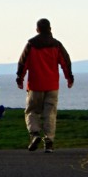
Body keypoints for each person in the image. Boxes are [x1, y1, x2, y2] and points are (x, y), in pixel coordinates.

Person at [15, 17, 74, 151]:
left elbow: (23, 63)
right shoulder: (56, 45)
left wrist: (20, 79)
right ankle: (49, 142)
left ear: (37, 29)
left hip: (35, 86)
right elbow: (66, 62)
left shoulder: (31, 44)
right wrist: (69, 79)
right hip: (52, 86)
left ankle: (35, 134)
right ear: (50, 29)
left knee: (31, 112)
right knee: (50, 114)